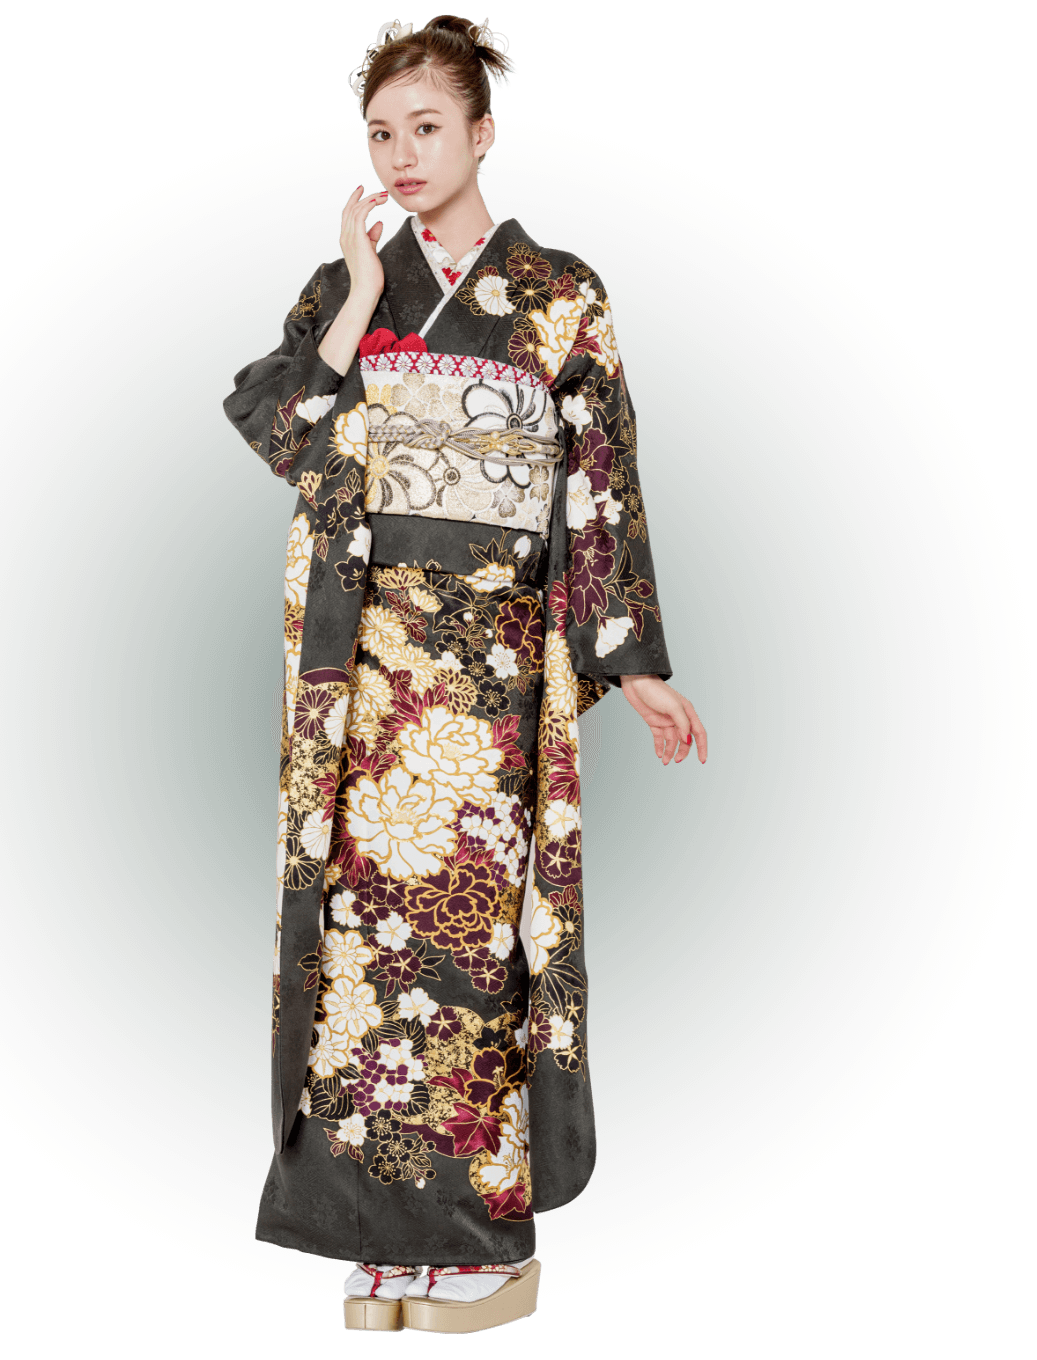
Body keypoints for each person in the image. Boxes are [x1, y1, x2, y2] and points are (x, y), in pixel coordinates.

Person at [223, 14, 707, 1333]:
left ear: (483, 133)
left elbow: (599, 477)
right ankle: (370, 1237)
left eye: (428, 127)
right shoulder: (346, 285)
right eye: (381, 132)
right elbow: (283, 430)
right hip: (363, 668)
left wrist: (633, 663)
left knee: (469, 948)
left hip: (488, 671)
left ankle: (477, 1240)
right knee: (357, 948)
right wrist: (359, 297)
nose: (403, 154)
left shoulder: (560, 292)